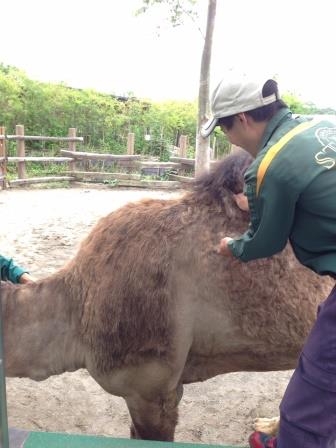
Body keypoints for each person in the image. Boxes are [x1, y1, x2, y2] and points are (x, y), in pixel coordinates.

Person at [201, 74, 336, 448]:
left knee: (306, 408)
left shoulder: (268, 167)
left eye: (224, 126)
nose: (226, 136)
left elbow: (266, 242)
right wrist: (264, 197)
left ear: (242, 118)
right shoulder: (323, 123)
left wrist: (233, 246)